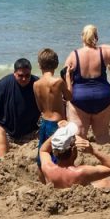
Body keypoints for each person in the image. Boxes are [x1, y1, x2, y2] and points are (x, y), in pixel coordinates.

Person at [38, 121, 110, 190]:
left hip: (60, 191)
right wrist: (93, 151)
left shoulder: (47, 168)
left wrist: (60, 133)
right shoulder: (81, 172)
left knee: (99, 183)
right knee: (104, 183)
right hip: (78, 196)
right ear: (73, 151)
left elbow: (43, 150)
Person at [64, 25, 110, 143]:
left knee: (79, 135)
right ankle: (105, 160)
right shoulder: (103, 52)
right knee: (102, 134)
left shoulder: (74, 55)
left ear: (82, 37)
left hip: (80, 98)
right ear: (96, 37)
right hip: (102, 97)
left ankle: (80, 160)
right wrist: (103, 46)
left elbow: (64, 75)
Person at [33, 48, 70, 179]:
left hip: (44, 121)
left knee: (42, 153)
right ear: (56, 64)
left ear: (39, 65)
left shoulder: (36, 84)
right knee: (59, 155)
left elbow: (39, 107)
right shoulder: (58, 82)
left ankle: (42, 181)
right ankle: (57, 181)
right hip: (57, 123)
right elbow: (69, 96)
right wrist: (68, 78)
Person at [0, 58, 41, 146]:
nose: (24, 79)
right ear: (14, 73)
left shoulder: (37, 83)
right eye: (20, 75)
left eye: (27, 75)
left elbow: (48, 105)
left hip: (30, 133)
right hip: (7, 132)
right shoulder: (4, 84)